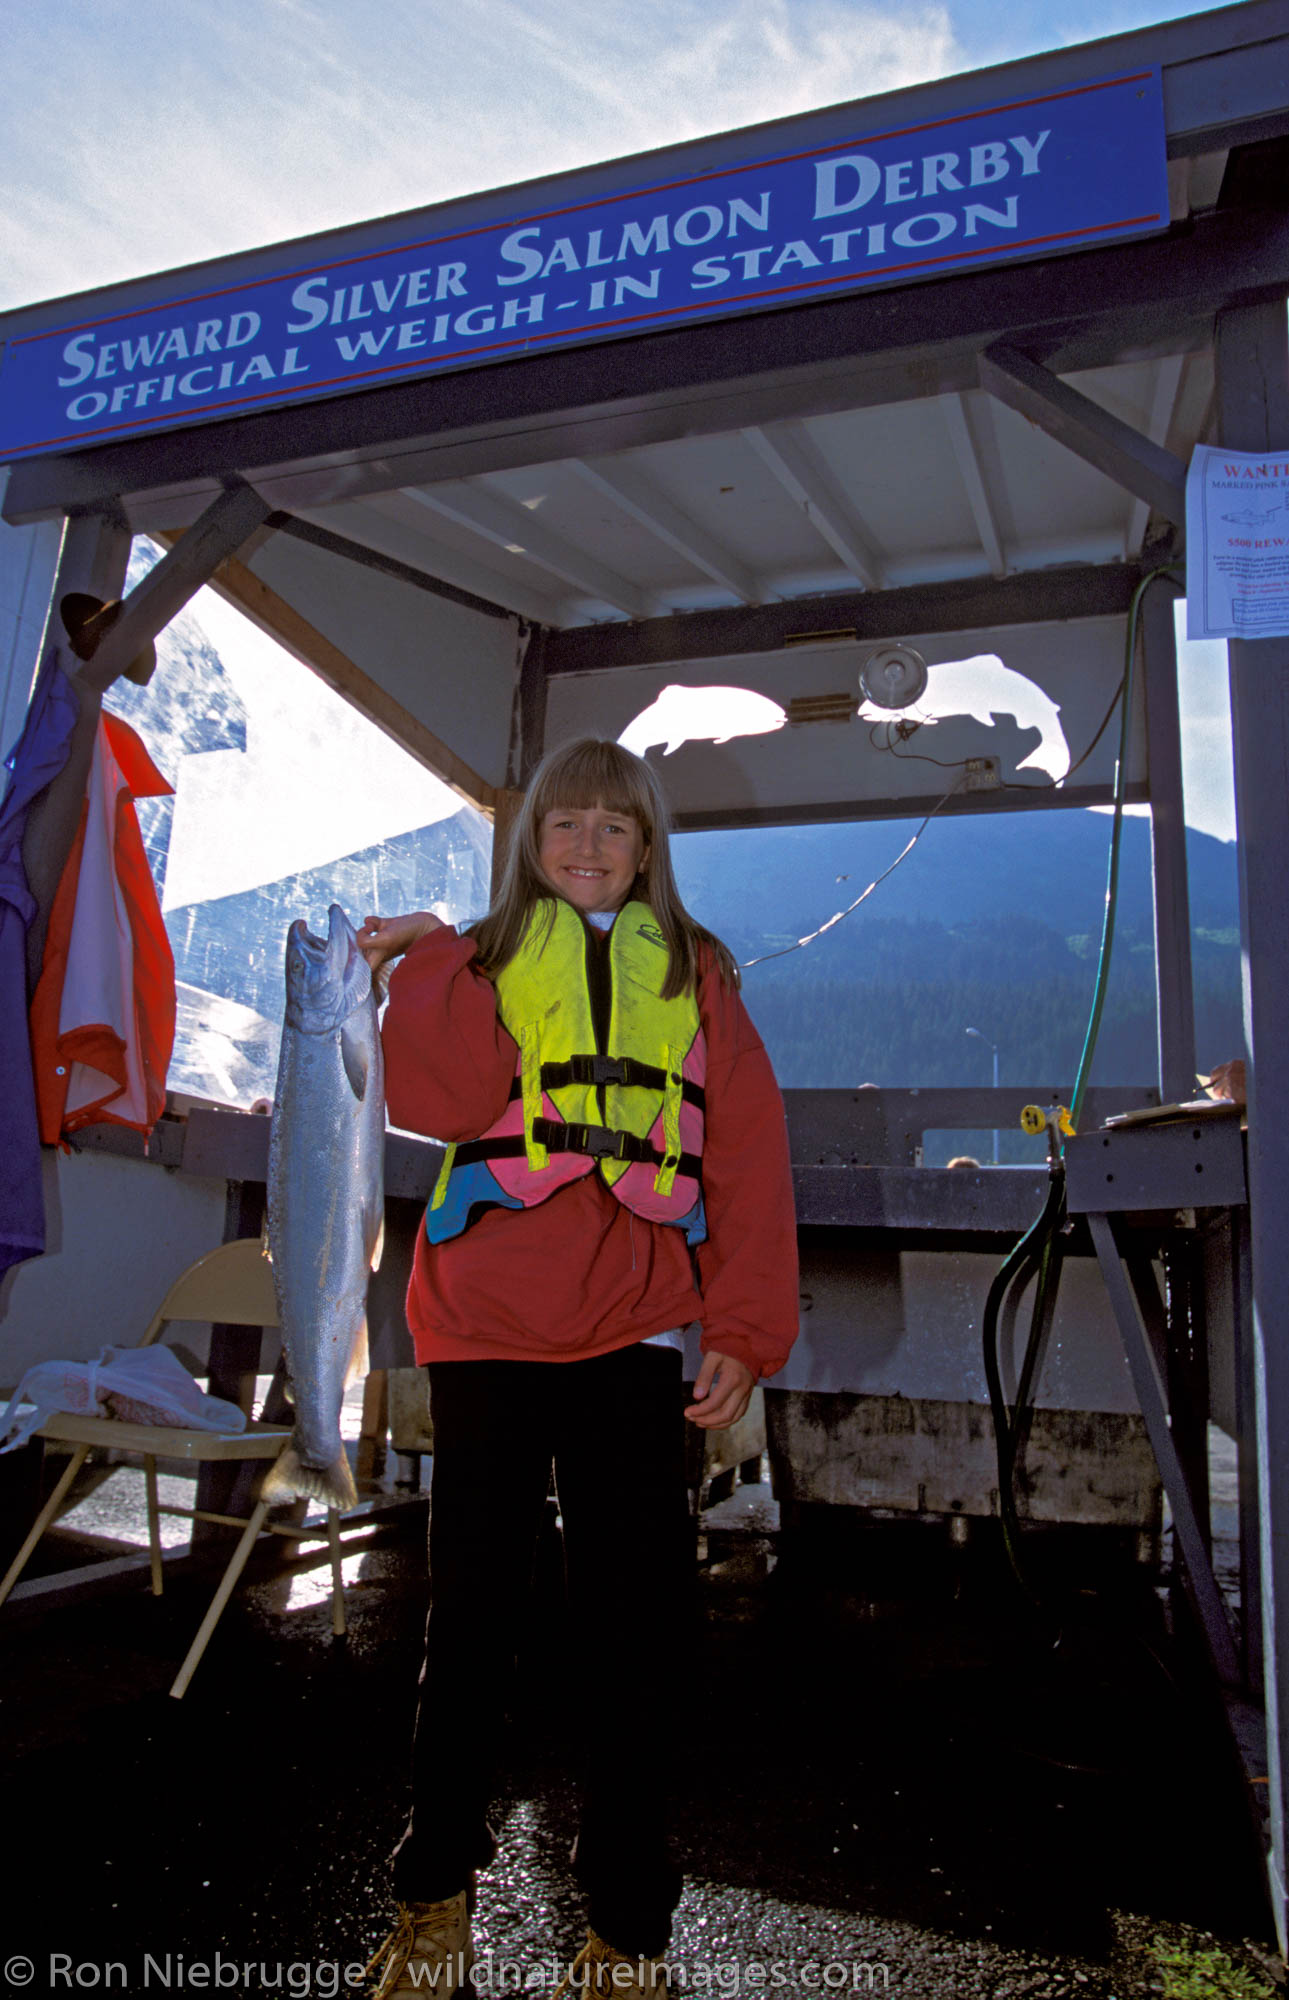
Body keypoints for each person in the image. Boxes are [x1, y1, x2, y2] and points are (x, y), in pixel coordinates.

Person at [358, 737, 799, 2000]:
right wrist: (438, 948)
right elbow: (435, 1095)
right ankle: (433, 1896)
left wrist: (741, 1329)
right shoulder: (486, 957)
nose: (589, 845)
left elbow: (752, 1159)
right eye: (566, 825)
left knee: (636, 1636)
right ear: (529, 841)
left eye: (615, 826)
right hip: (485, 1328)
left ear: (648, 846)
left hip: (635, 1335)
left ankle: (628, 1933)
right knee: (472, 1620)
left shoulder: (702, 973)